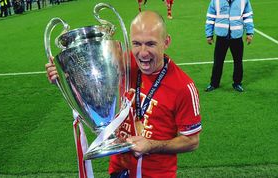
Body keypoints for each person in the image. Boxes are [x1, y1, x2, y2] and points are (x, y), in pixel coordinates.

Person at [45, 11, 201, 178]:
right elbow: (93, 85)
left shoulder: (183, 87)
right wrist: (64, 75)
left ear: (166, 42)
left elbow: (191, 141)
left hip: (156, 174)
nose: (142, 53)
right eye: (136, 43)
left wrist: (152, 145)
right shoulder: (122, 64)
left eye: (150, 44)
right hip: (119, 170)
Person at [205, 0, 254, 92]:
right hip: (221, 36)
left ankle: (237, 83)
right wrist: (209, 34)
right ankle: (214, 84)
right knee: (218, 62)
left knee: (238, 62)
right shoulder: (216, 1)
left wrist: (249, 33)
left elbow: (248, 16)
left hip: (237, 36)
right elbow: (210, 17)